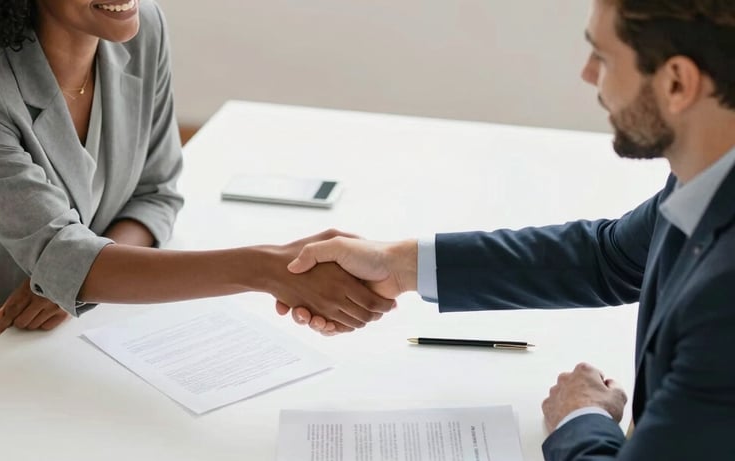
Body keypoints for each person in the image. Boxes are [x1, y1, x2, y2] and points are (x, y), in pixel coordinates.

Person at [278, 0, 735, 459]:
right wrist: (398, 266)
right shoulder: (706, 172)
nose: (587, 74)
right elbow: (609, 259)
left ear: (677, 82)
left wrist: (580, 417)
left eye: (602, 57)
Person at [0, 0, 392, 365]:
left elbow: (155, 194)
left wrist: (74, 280)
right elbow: (61, 256)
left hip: (66, 335)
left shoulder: (141, 29)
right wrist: (268, 267)